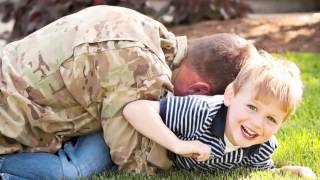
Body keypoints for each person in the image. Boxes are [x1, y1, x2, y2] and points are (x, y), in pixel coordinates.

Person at [0, 5, 259, 179]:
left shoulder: (147, 29)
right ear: (199, 91)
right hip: (5, 126)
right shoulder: (142, 68)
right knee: (69, 172)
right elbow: (134, 163)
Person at [123, 53, 316, 178]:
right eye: (252, 107)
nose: (257, 123)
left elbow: (263, 171)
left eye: (271, 118)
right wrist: (178, 144)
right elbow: (135, 110)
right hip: (132, 135)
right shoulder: (201, 112)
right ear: (230, 95)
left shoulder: (261, 147)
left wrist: (294, 171)